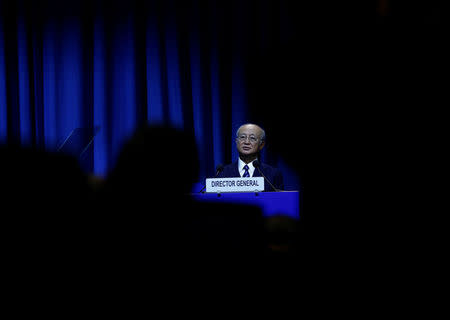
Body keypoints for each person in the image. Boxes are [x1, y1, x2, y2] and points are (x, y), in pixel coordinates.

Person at [217, 123, 284, 191]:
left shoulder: (273, 174)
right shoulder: (222, 173)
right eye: (242, 137)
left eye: (252, 138)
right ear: (236, 141)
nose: (246, 142)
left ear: (261, 145)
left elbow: (279, 199)